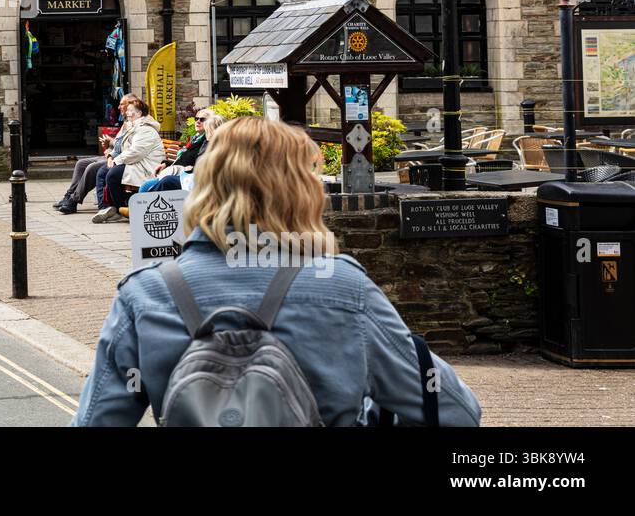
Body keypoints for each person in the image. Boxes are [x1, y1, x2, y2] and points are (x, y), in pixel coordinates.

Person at [73, 117, 482, 426]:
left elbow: (97, 420)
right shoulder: (342, 287)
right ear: (301, 191)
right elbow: (455, 411)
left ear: (204, 186)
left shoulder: (146, 294)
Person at [92, 96, 164, 224]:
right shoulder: (132, 126)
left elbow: (136, 152)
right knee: (103, 171)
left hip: (145, 166)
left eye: (130, 110)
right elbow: (121, 146)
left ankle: (121, 209)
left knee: (113, 175)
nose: (126, 112)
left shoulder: (145, 129)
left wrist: (115, 161)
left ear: (139, 113)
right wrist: (111, 156)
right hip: (136, 162)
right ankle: (107, 207)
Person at [55, 95, 132, 214]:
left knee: (92, 168)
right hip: (113, 154)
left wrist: (110, 151)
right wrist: (110, 142)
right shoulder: (126, 122)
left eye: (122, 104)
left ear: (131, 105)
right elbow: (119, 143)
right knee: (81, 163)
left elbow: (129, 149)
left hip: (119, 159)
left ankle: (73, 201)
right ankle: (69, 194)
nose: (118, 107)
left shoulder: (135, 123)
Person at [139, 109, 224, 193]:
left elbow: (196, 164)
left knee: (156, 184)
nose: (198, 121)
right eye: (196, 119)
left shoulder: (207, 141)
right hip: (185, 175)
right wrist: (167, 164)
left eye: (202, 120)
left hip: (191, 178)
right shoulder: (196, 139)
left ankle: (144, 204)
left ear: (211, 123)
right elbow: (186, 159)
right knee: (146, 185)